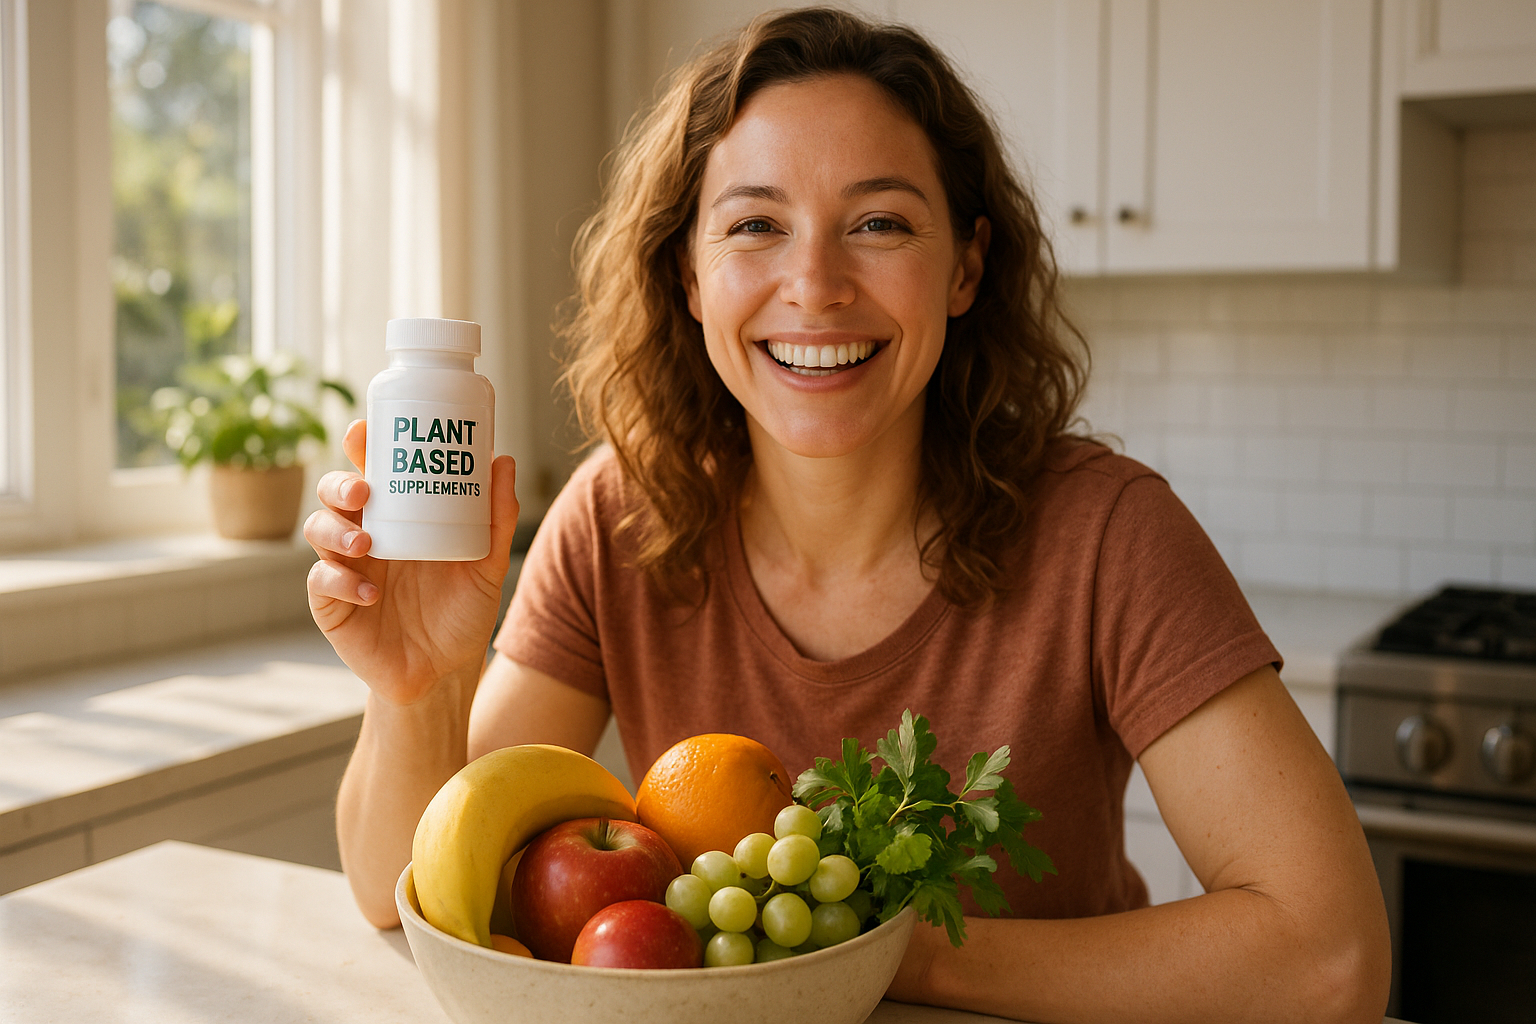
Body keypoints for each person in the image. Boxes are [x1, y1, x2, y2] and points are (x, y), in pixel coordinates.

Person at [306, 9, 1390, 1022]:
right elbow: (408, 893)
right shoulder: (616, 516)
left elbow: (1328, 956)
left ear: (965, 265)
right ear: (688, 273)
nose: (814, 285)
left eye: (878, 222)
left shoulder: (1108, 533)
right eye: (755, 225)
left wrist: (893, 954)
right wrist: (414, 686)